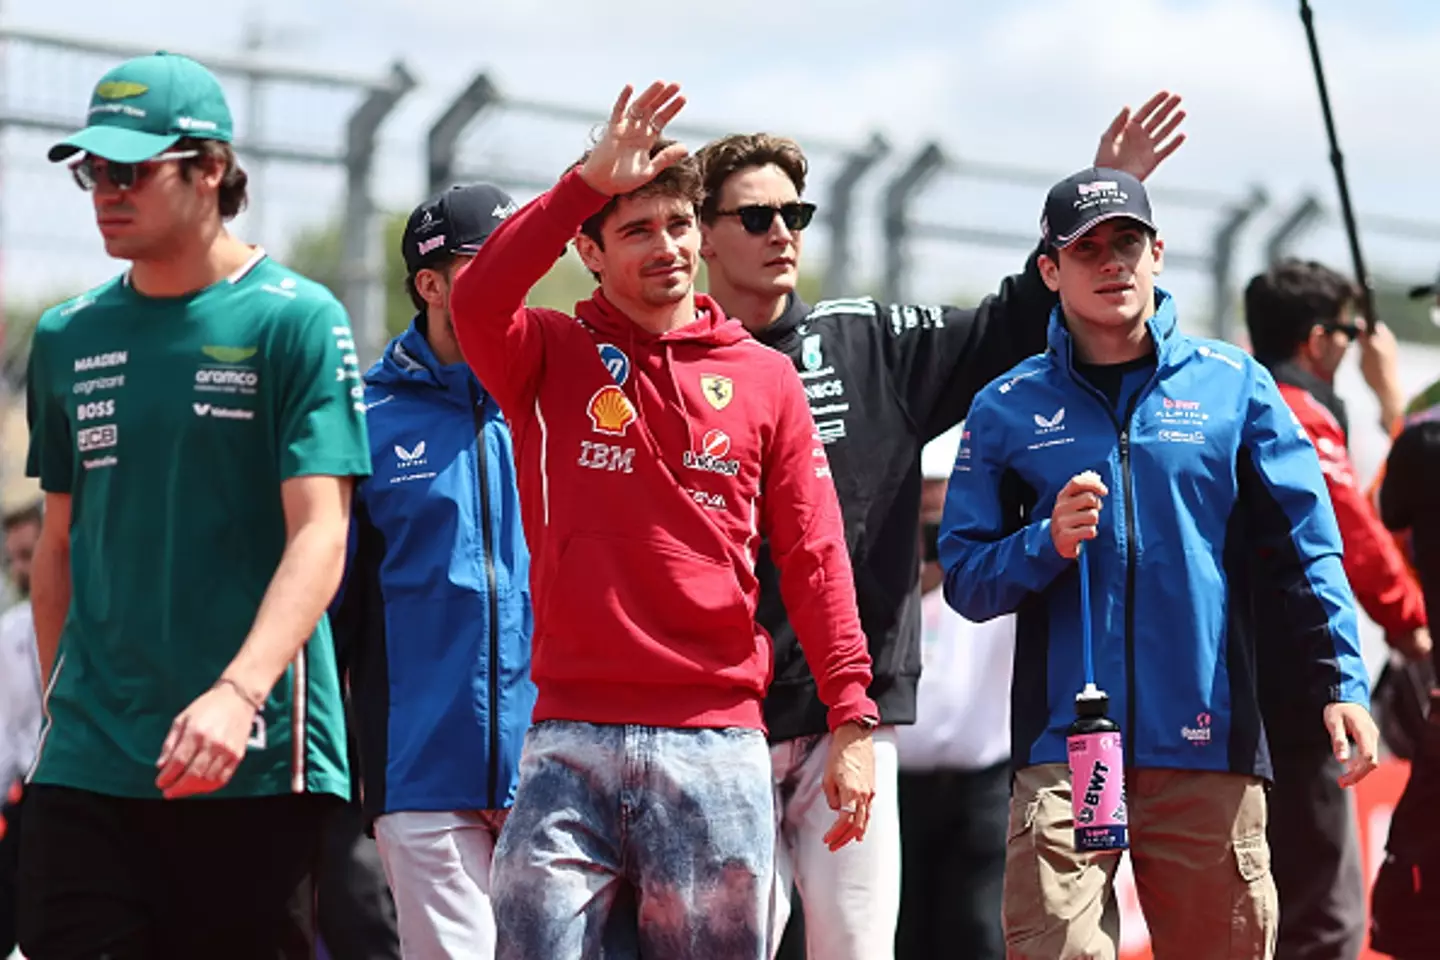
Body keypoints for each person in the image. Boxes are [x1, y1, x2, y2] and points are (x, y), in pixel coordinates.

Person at [692, 92, 1187, 959]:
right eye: (758, 216)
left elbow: (1008, 324)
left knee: (856, 948)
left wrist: (1105, 192)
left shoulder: (867, 341)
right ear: (701, 233)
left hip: (853, 720)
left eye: (795, 214)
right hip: (716, 718)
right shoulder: (670, 361)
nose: (782, 234)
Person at [448, 80, 879, 960]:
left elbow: (815, 553)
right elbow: (477, 300)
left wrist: (851, 715)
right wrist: (583, 180)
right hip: (567, 740)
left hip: (717, 744)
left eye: (679, 226)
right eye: (637, 229)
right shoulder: (547, 353)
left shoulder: (764, 378)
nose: (668, 247)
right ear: (590, 251)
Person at [938, 167, 1379, 960]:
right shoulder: (1004, 406)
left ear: (1158, 253)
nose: (1113, 264)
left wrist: (1342, 684)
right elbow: (965, 578)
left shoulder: (1234, 386)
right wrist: (1045, 542)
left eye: (1129, 244)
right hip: (1063, 754)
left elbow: (1307, 550)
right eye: (1088, 249)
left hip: (1208, 744)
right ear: (1050, 271)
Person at [19, 52, 370, 959]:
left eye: (130, 169)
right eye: (91, 170)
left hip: (253, 758)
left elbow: (321, 529)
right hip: (90, 763)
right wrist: (71, 717)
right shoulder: (66, 336)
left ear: (210, 168)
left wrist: (235, 691)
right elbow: (57, 545)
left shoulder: (295, 317)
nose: (105, 191)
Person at [329, 181, 535, 960]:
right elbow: (331, 611)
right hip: (417, 773)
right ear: (430, 283)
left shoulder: (556, 395)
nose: (515, 281)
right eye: (493, 263)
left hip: (555, 767)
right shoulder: (365, 424)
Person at [1242, 259, 1429, 960]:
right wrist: (1413, 624)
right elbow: (1354, 533)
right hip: (1300, 696)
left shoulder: (1227, 398)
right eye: (1348, 333)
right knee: (1325, 916)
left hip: (1227, 692)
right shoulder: (1297, 414)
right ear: (1319, 340)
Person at [893, 426, 1012, 960]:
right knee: (903, 935)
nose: (932, 537)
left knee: (976, 931)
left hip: (982, 786)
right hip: (893, 788)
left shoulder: (998, 565)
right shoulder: (877, 573)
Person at [0, 499, 42, 954]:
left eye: (29, 555)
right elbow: (6, 732)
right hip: (28, 796)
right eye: (14, 558)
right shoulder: (9, 631)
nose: (20, 569)